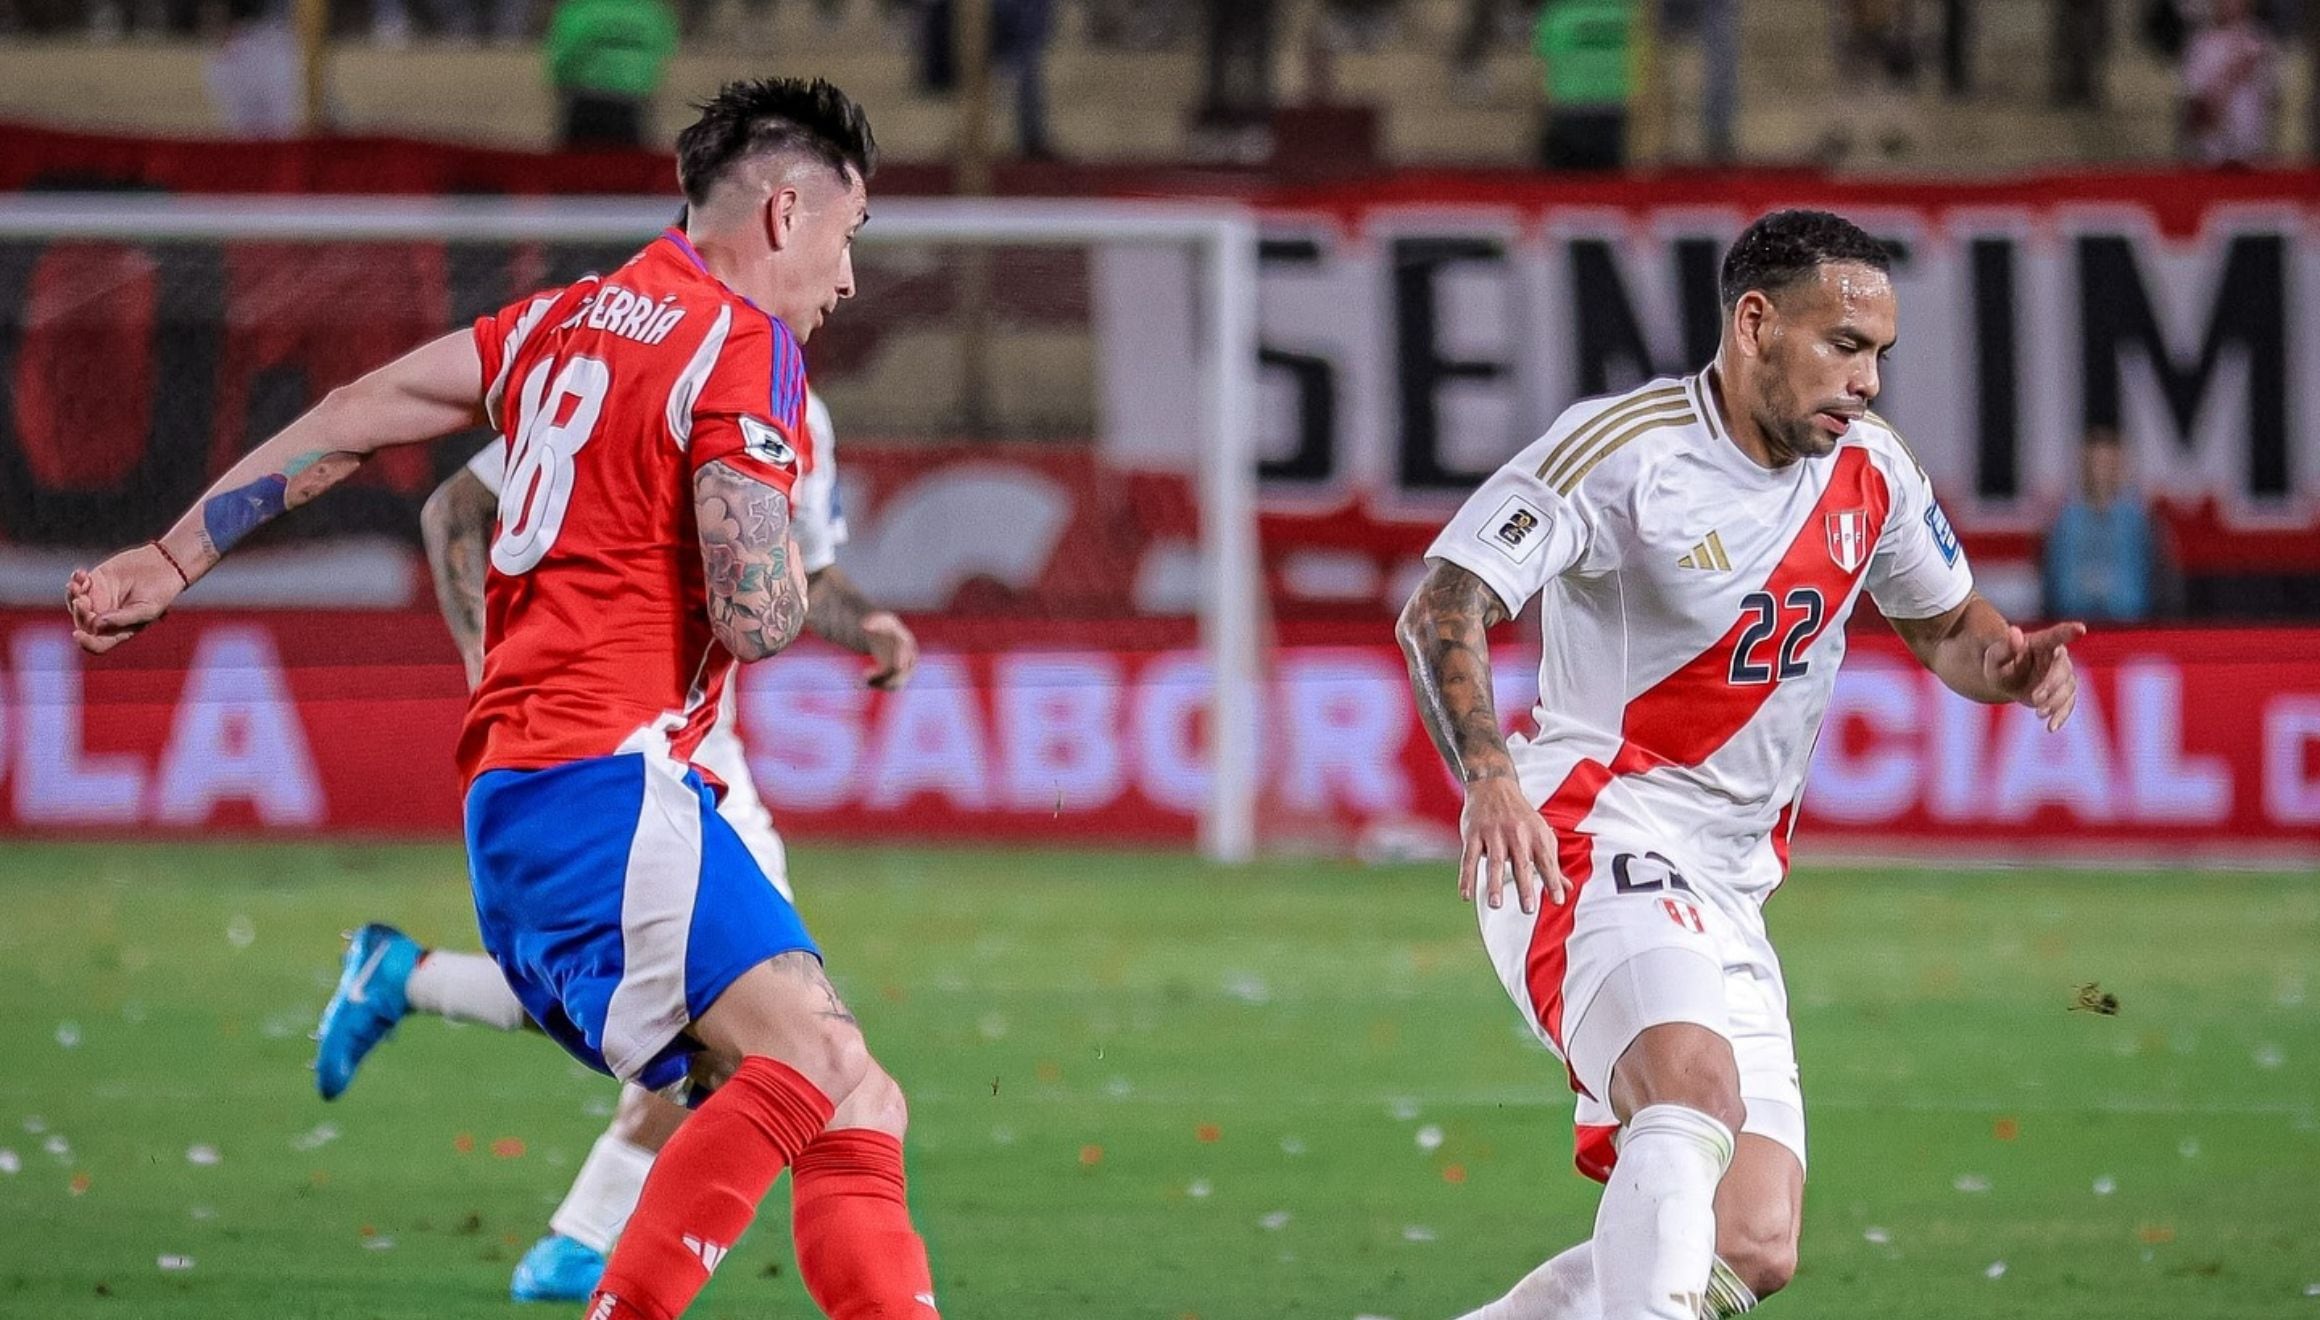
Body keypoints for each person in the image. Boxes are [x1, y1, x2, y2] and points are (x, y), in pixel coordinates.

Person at [67, 78, 940, 1320]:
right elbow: (756, 615)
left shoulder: (565, 321)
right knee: (811, 1059)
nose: (846, 280)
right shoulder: (746, 349)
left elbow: (357, 413)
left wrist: (171, 556)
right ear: (785, 213)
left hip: (533, 796)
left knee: (858, 1095)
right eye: (847, 238)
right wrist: (782, 562)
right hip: (612, 792)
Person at [1398, 209, 2082, 1320]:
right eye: (1843, 345)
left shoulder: (1872, 470)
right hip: (1589, 832)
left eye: (1879, 354)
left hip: (1729, 885)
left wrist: (2009, 663)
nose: (1867, 381)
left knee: (1751, 1241)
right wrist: (1489, 778)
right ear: (1755, 323)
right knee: (1687, 1092)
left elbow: (1949, 626)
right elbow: (1443, 605)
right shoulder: (1622, 452)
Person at [313, 390, 924, 1303]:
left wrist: (867, 623)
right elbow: (455, 508)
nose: (834, 305)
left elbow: (805, 574)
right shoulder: (646, 373)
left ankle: (421, 994)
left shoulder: (800, 411)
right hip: (618, 767)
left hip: (703, 761)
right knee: (792, 1048)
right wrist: (490, 671)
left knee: (746, 1034)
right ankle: (591, 1244)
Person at [2041, 427, 2161, 623]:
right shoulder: (2066, 521)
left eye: (2107, 463)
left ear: (2119, 467)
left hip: (2129, 624)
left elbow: (2152, 578)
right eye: (2095, 463)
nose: (2100, 471)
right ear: (2085, 467)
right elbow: (2055, 583)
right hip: (2074, 622)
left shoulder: (2137, 521)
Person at [546, 0, 678, 148]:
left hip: (585, 100)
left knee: (579, 159)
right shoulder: (652, 12)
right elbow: (662, 53)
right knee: (627, 160)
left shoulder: (579, 9)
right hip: (633, 104)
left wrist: (560, 86)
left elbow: (564, 56)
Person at [1531, 0, 1630, 171]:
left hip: (1582, 107)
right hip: (1589, 108)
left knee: (1569, 182)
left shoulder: (1560, 12)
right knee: (1605, 181)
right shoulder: (1626, 12)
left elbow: (1540, 69)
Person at [2180, 0, 2277, 165]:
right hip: (2211, 129)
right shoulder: (2202, 40)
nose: (2230, 5)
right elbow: (2192, 85)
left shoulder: (2258, 36)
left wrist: (2243, 71)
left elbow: (2268, 81)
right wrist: (2210, 104)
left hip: (2247, 125)